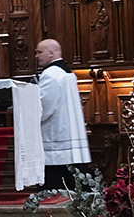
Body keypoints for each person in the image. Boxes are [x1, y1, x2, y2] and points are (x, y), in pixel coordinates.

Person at [33, 38, 91, 196]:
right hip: (69, 134)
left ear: (51, 53)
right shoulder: (67, 72)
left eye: (39, 52)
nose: (37, 56)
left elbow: (44, 108)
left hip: (56, 137)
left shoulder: (51, 74)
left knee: (55, 189)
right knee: (77, 185)